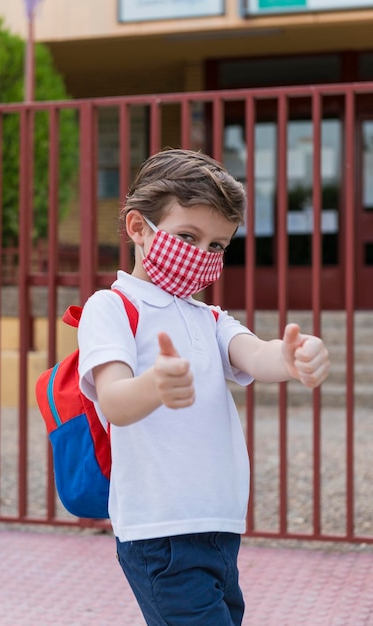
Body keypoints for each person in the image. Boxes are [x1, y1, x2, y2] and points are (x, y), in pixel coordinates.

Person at [78, 148, 330, 626]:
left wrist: (295, 356)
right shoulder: (110, 308)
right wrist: (155, 385)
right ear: (138, 228)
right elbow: (113, 399)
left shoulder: (208, 316)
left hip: (218, 525)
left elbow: (256, 353)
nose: (201, 255)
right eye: (187, 236)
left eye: (217, 246)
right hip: (160, 532)